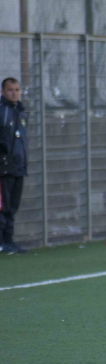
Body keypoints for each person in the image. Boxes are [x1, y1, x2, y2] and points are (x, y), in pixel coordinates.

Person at [0, 77, 29, 254]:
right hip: (4, 168)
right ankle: (2, 242)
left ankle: (9, 240)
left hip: (19, 167)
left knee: (12, 207)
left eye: (17, 90)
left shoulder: (21, 111)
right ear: (3, 91)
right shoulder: (2, 111)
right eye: (10, 90)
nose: (14, 93)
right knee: (3, 206)